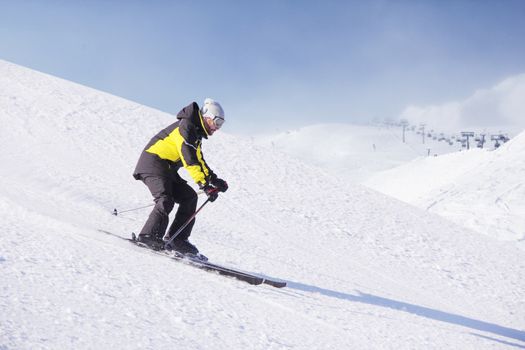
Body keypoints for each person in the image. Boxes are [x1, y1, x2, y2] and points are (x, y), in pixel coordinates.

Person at [133, 98, 228, 255]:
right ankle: (148, 236)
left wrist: (213, 179)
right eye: (217, 122)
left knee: (189, 197)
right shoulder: (186, 128)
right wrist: (204, 185)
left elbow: (199, 160)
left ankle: (178, 239)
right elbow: (189, 159)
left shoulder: (195, 133)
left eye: (221, 124)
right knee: (165, 199)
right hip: (152, 162)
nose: (218, 128)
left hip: (166, 168)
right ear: (207, 117)